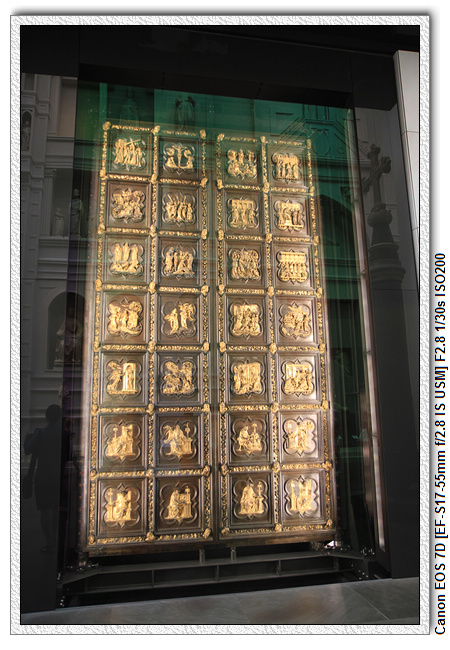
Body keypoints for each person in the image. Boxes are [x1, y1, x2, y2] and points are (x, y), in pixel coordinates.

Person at [23, 405, 68, 553]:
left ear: (46, 417)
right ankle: (55, 537)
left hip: (42, 476)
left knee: (44, 510)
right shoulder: (64, 433)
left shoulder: (40, 433)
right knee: (55, 509)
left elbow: (27, 449)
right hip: (58, 475)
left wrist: (28, 436)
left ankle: (49, 540)